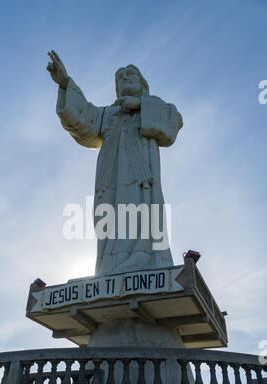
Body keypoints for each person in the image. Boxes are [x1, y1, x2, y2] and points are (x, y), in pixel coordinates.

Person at [47, 50, 183, 276]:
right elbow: (83, 120)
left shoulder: (152, 106)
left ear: (142, 84)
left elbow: (173, 121)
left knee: (140, 215)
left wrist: (140, 104)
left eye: (131, 75)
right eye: (120, 78)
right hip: (109, 181)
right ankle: (110, 269)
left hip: (141, 180)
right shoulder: (108, 115)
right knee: (109, 220)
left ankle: (143, 261)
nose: (125, 78)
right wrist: (64, 83)